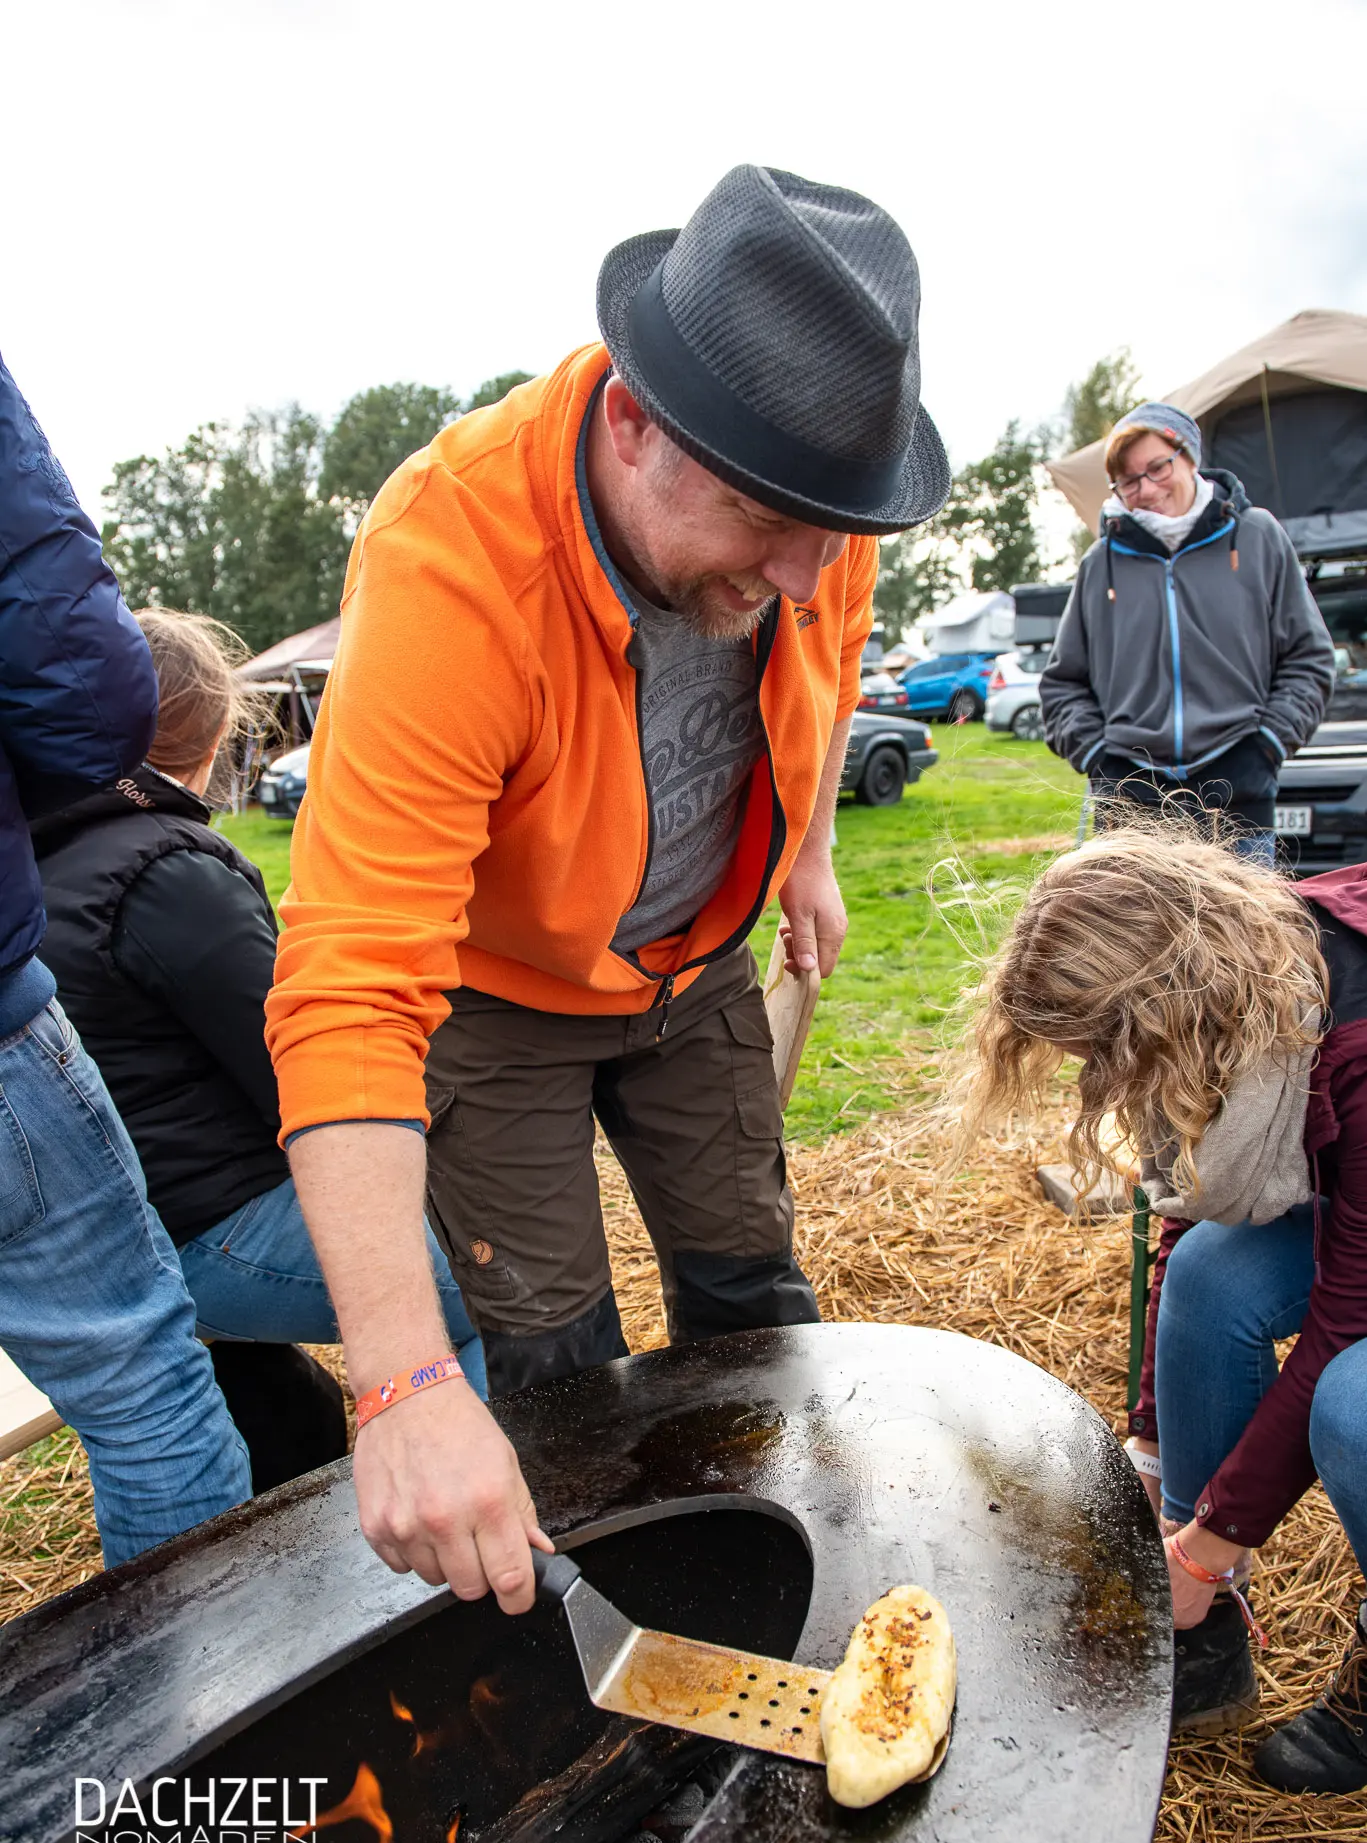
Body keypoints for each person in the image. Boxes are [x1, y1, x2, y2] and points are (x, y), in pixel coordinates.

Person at [265, 164, 950, 1613]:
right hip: (499, 1007)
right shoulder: (452, 558)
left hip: (690, 967)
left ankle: (787, 1577)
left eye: (832, 529)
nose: (811, 570)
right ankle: (616, 1628)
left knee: (747, 1287)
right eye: (770, 524)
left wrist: (809, 848)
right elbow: (346, 984)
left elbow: (823, 679)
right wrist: (396, 1387)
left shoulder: (815, 516)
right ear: (635, 424)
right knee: (555, 1357)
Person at [956, 819, 1367, 1794]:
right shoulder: (1239, 980)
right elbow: (1189, 1211)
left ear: (1158, 1003)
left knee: (1349, 1402)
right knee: (1211, 1276)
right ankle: (1205, 1627)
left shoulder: (1348, 1036)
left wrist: (1215, 1535)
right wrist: (1150, 1450)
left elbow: (1342, 1320)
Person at [33, 609, 487, 1492]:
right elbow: (299, 1068)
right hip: (211, 1227)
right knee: (492, 1289)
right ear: (208, 738)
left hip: (112, 1239)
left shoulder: (39, 859)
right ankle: (479, 1516)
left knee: (283, 1405)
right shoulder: (165, 869)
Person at [0, 354, 250, 1564]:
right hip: (203, 1211)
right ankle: (201, 1733)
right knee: (153, 1398)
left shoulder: (71, 861)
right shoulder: (172, 873)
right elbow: (288, 1070)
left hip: (176, 1191)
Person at [1040, 402, 1334, 860]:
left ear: (1190, 457)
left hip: (1236, 808)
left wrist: (1265, 748)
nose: (1148, 488)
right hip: (1130, 815)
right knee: (1126, 935)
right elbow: (1062, 685)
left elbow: (1309, 660)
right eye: (1130, 480)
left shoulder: (1257, 537)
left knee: (1242, 935)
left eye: (1158, 467)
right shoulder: (1102, 564)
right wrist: (1102, 760)